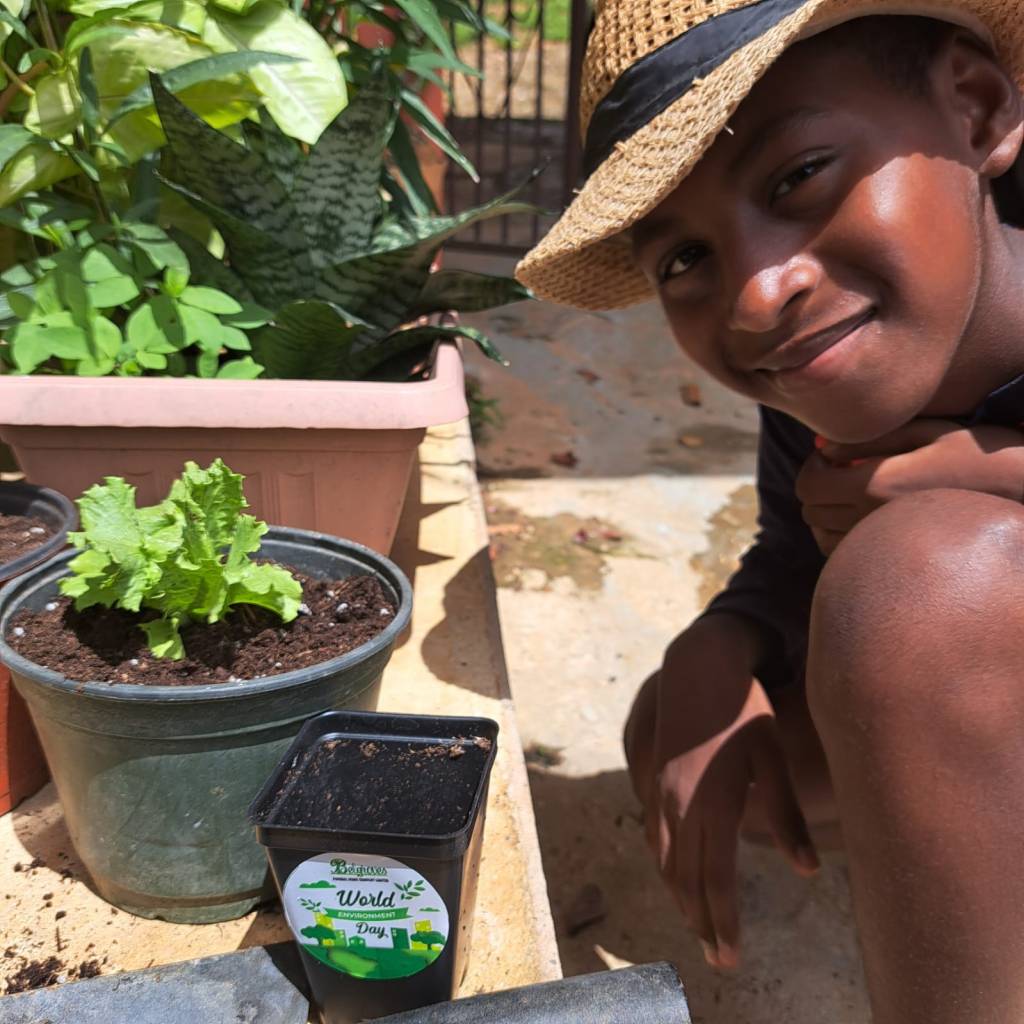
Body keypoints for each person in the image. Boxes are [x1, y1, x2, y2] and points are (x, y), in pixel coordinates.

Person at [515, 2, 1024, 1022]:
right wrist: (722, 637)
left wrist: (981, 475)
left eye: (798, 176)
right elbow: (799, 541)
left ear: (972, 109)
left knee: (923, 589)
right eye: (684, 261)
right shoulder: (838, 366)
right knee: (702, 746)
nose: (753, 297)